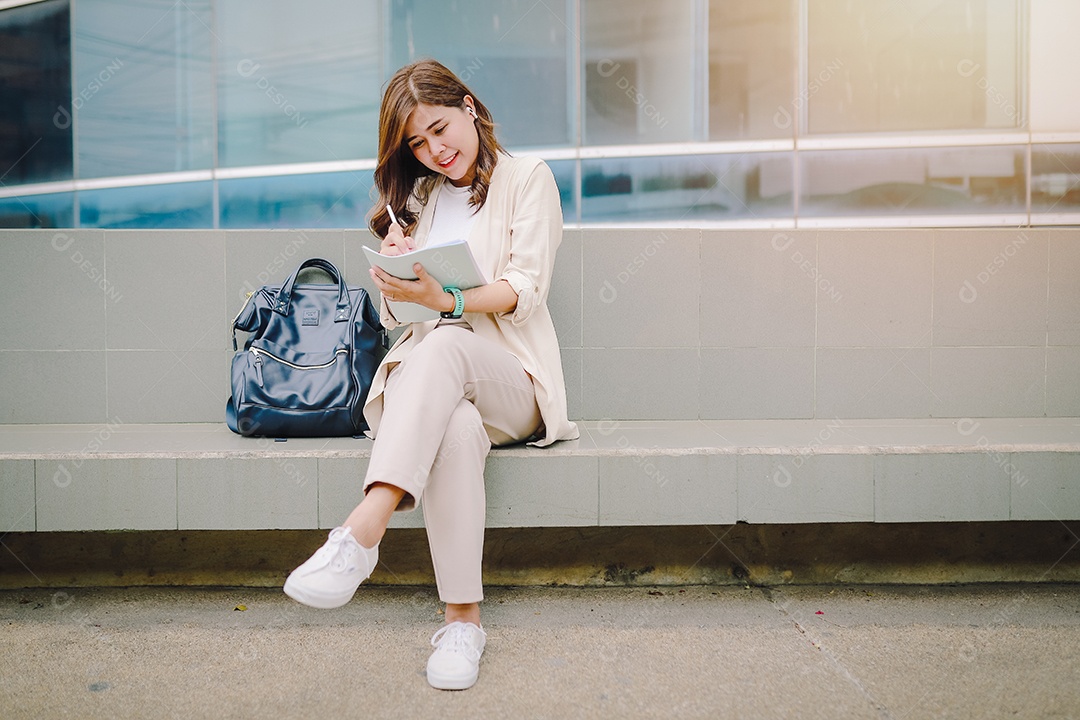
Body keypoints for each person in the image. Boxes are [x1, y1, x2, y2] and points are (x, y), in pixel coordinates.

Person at [282, 59, 578, 690]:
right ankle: (462, 625)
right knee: (456, 427)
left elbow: (525, 289)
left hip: (511, 382)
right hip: (437, 390)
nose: (435, 151)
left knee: (446, 345)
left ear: (468, 107)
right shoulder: (419, 199)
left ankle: (362, 531)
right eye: (417, 143)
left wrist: (446, 300)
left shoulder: (527, 178)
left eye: (440, 129)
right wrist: (395, 277)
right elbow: (398, 318)